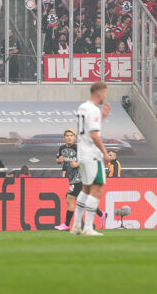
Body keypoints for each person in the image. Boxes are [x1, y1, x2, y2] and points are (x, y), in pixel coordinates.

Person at [71, 82, 112, 236]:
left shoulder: (82, 107)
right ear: (100, 93)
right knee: (97, 188)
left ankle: (76, 226)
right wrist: (105, 152)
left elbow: (87, 128)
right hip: (92, 154)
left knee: (86, 189)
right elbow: (94, 134)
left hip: (82, 152)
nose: (105, 97)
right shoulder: (93, 109)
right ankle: (88, 228)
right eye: (105, 93)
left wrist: (102, 117)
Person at [54, 129, 79, 230]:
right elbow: (58, 160)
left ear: (74, 138)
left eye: (71, 135)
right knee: (83, 200)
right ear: (64, 138)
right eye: (67, 135)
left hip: (80, 177)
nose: (69, 137)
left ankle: (66, 225)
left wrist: (77, 164)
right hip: (71, 178)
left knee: (69, 198)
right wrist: (59, 161)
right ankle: (102, 214)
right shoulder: (62, 148)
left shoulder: (78, 148)